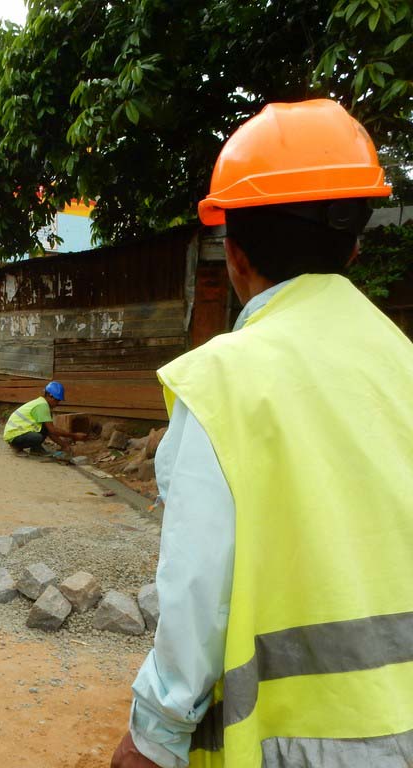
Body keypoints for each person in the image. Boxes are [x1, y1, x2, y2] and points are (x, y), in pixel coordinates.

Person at [111, 100, 411, 768]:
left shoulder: (225, 380)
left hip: (297, 744)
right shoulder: (403, 363)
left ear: (235, 254)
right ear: (355, 245)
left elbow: (197, 584)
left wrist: (154, 735)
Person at [2, 381, 76, 455]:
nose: (57, 403)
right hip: (13, 435)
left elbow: (49, 431)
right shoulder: (42, 406)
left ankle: (36, 449)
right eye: (56, 400)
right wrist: (74, 435)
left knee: (44, 427)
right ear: (50, 396)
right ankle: (16, 446)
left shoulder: (42, 404)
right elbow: (52, 430)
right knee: (37, 437)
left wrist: (64, 445)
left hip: (17, 432)